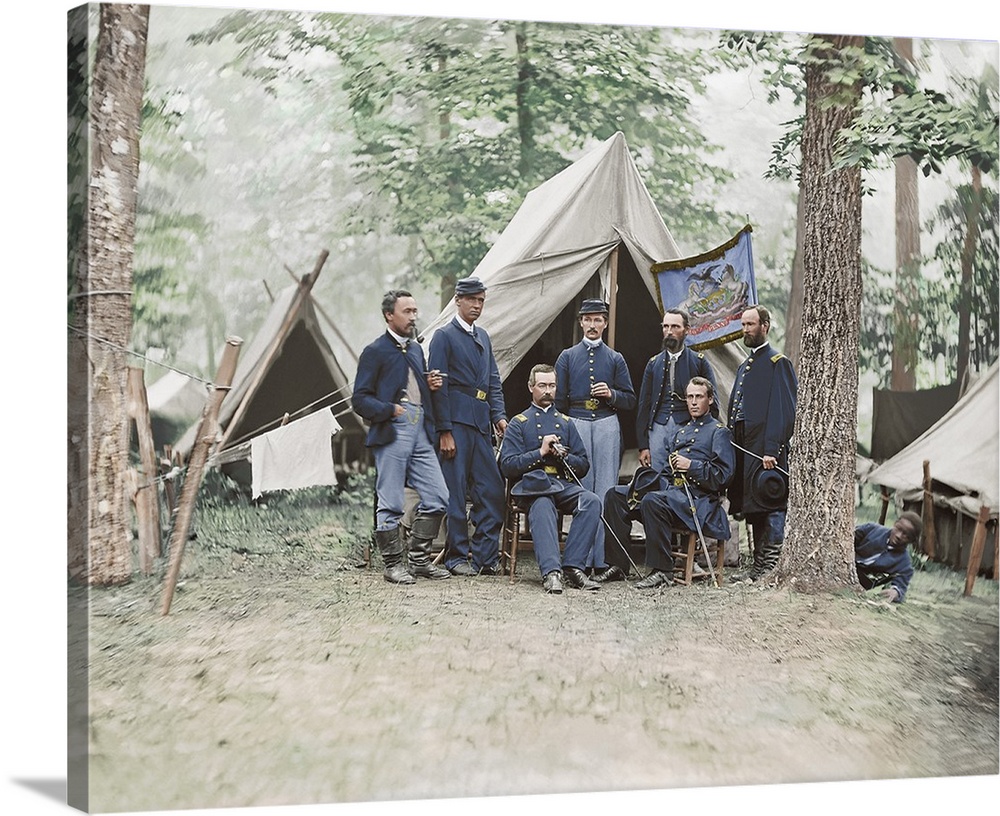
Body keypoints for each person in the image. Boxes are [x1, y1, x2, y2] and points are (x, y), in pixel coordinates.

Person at [352, 290, 452, 585]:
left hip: (421, 429)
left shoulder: (416, 350)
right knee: (391, 500)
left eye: (415, 311)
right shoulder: (375, 351)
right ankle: (393, 564)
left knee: (438, 496)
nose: (413, 317)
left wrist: (428, 383)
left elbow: (413, 384)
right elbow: (359, 399)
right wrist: (388, 409)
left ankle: (420, 560)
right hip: (392, 429)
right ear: (389, 316)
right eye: (407, 311)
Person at [600, 376, 735, 587]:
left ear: (710, 399)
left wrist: (692, 466)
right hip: (673, 497)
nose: (692, 402)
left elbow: (723, 477)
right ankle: (617, 564)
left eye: (698, 397)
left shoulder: (719, 433)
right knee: (615, 495)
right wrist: (643, 485)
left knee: (653, 501)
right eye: (689, 397)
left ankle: (662, 570)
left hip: (699, 503)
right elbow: (665, 474)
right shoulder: (680, 433)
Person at [428, 276, 508, 576]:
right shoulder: (443, 337)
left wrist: (499, 416)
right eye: (472, 300)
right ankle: (457, 557)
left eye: (481, 301)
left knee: (492, 491)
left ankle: (485, 557)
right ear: (458, 301)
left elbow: (493, 381)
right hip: (456, 423)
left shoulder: (483, 337)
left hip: (481, 423)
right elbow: (438, 388)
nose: (477, 305)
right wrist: (444, 431)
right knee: (456, 493)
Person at [499, 364, 603, 594]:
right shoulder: (519, 423)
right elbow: (507, 466)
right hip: (531, 486)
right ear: (531, 387)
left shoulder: (566, 422)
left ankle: (573, 567)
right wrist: (541, 453)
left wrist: (564, 455)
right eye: (542, 385)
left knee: (591, 501)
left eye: (552, 385)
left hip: (561, 484)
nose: (548, 390)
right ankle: (551, 573)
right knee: (543, 502)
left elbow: (583, 464)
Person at [554, 298, 636, 576]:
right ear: (580, 323)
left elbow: (630, 400)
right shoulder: (567, 357)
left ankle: (601, 560)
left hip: (606, 423)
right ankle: (579, 559)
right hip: (576, 422)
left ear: (605, 323)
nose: (592, 325)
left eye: (598, 319)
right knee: (582, 490)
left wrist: (612, 394)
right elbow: (559, 402)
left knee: (605, 490)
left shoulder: (615, 358)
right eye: (587, 320)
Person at [725, 305, 797, 582]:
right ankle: (758, 568)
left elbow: (784, 411)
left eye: (751, 324)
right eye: (743, 325)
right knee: (753, 505)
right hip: (745, 446)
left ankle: (771, 566)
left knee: (772, 501)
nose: (746, 330)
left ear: (765, 325)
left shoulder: (778, 362)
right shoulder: (746, 364)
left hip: (767, 448)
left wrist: (772, 450)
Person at [635, 308, 717, 473]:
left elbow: (712, 401)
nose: (669, 332)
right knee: (658, 477)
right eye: (665, 327)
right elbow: (644, 405)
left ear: (687, 330)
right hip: (658, 428)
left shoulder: (698, 361)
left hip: (689, 427)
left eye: (675, 327)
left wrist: (707, 434)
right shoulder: (653, 364)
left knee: (685, 476)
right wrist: (643, 446)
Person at [854, 512, 921, 603]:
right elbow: (847, 537)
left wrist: (895, 592)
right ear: (895, 524)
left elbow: (900, 586)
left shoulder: (904, 563)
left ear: (912, 540)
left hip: (860, 582)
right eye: (898, 528)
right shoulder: (871, 529)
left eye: (906, 535)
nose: (898, 536)